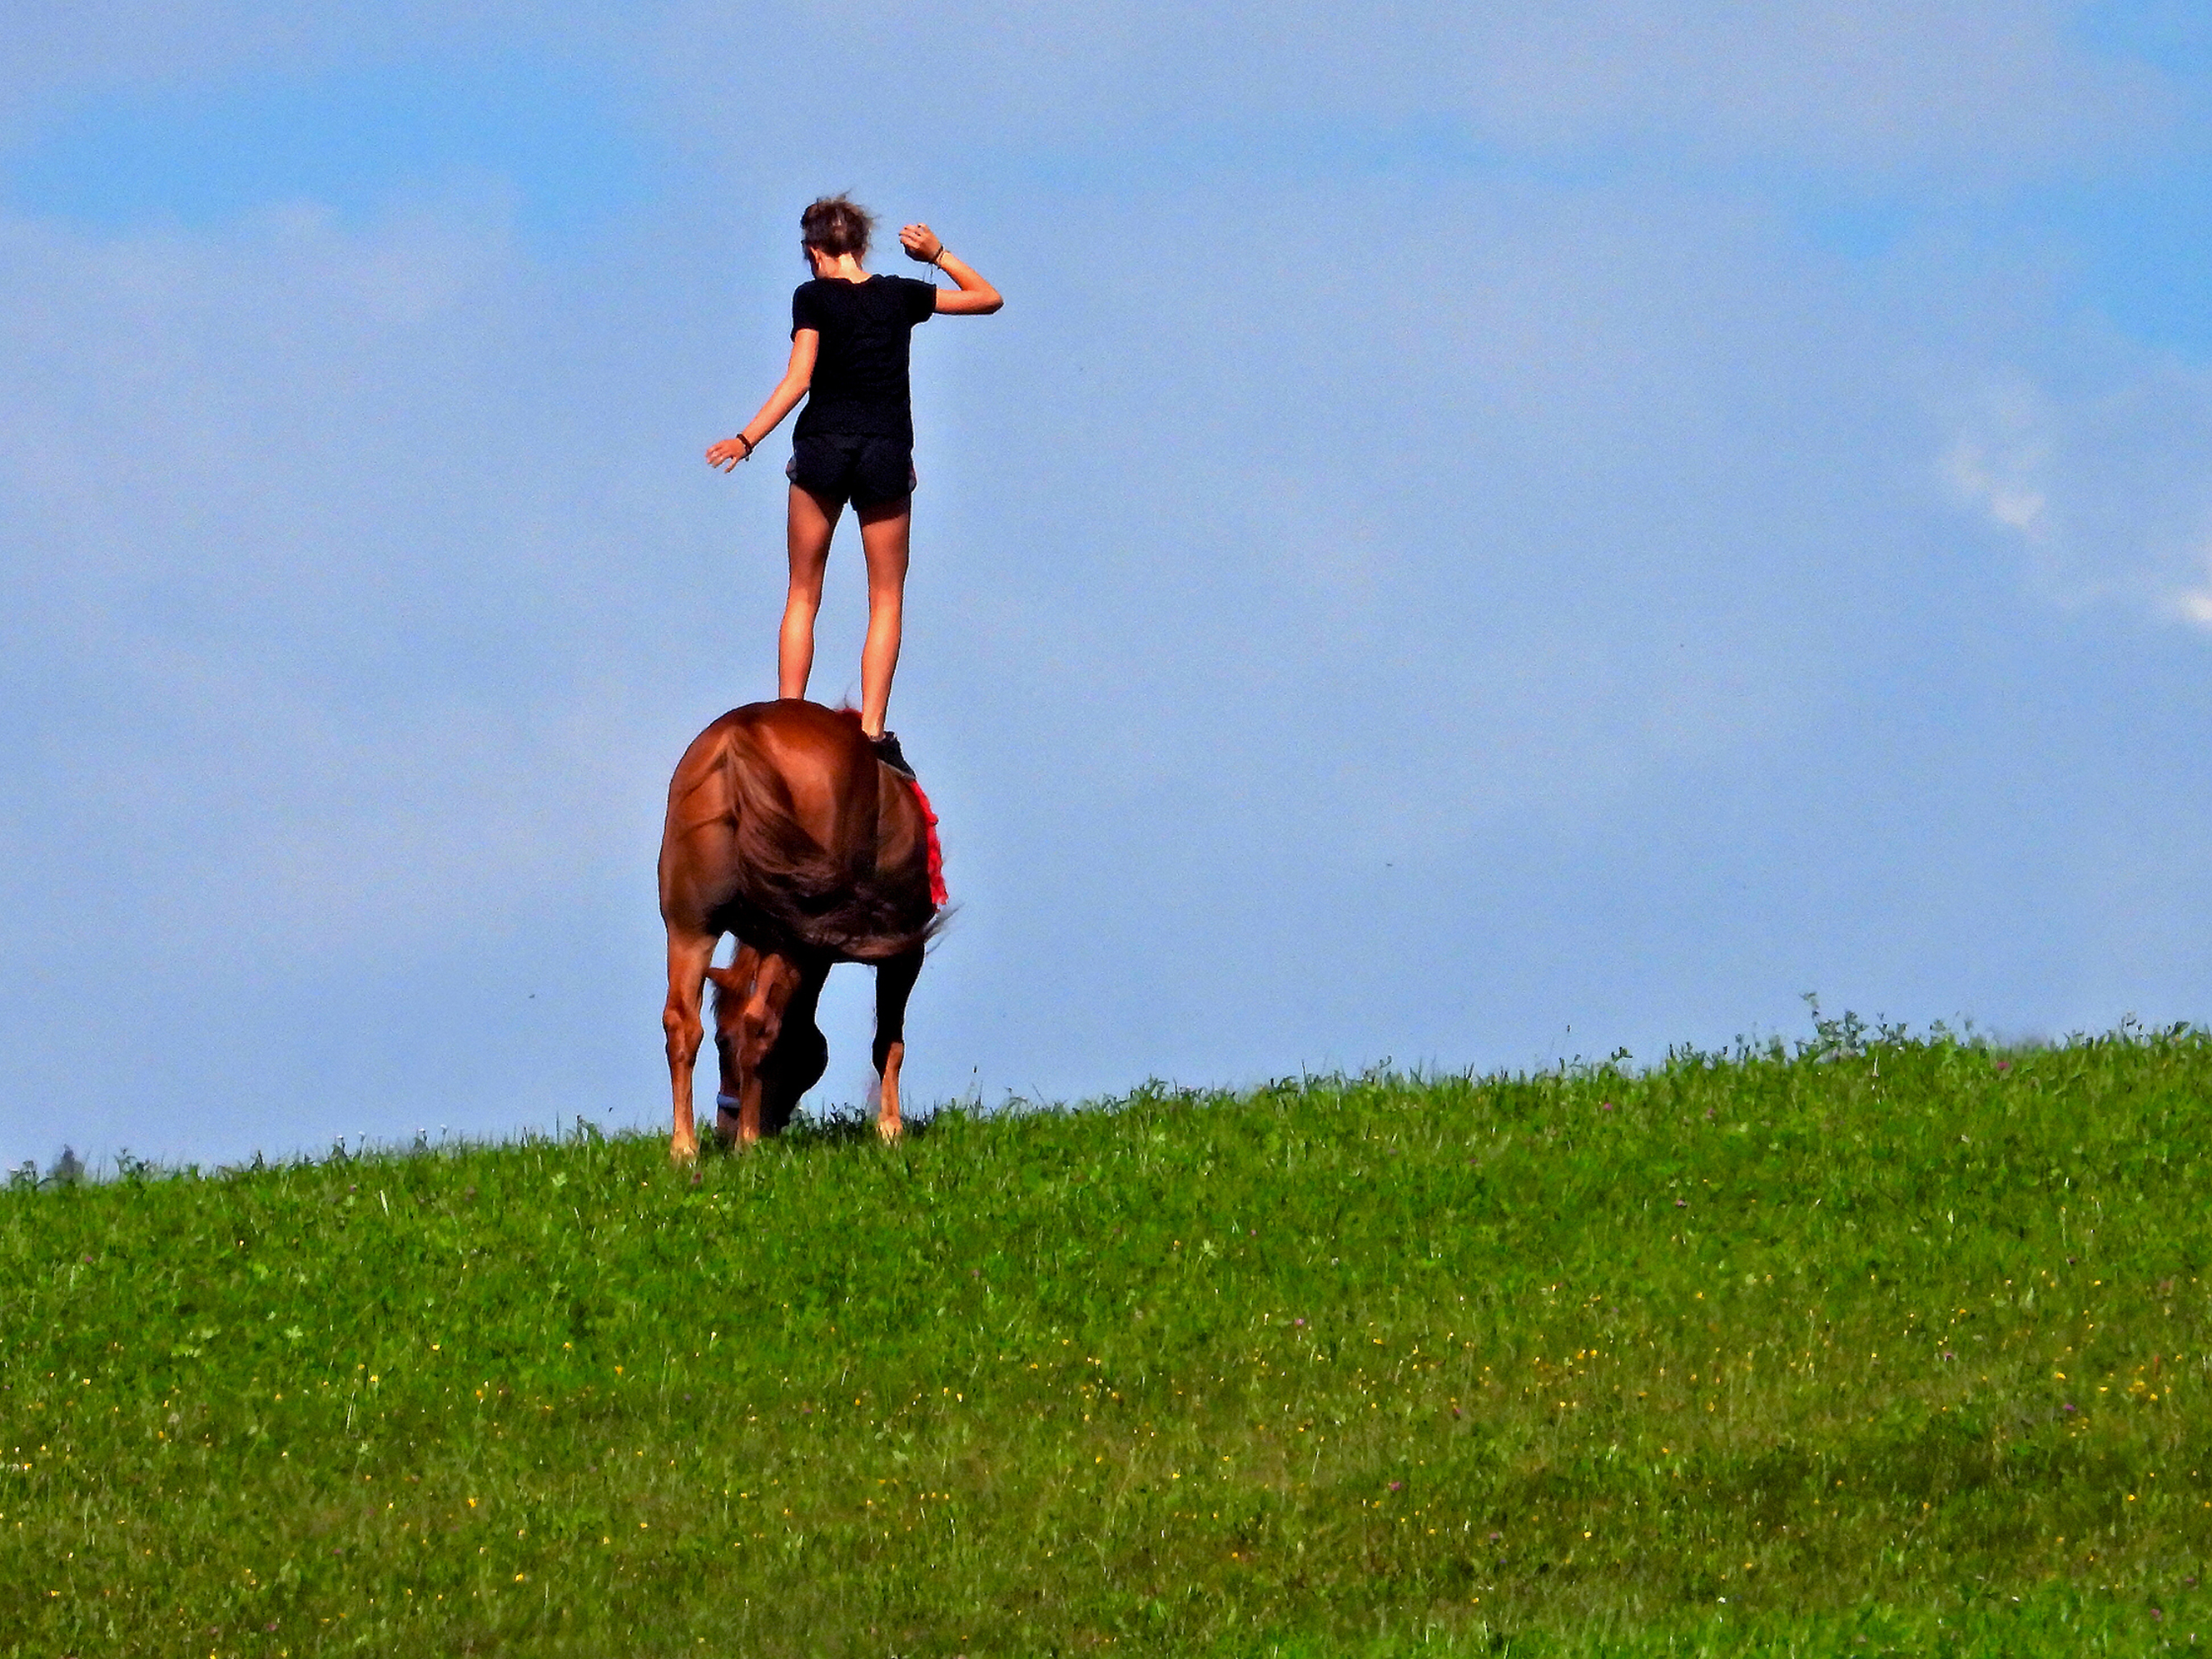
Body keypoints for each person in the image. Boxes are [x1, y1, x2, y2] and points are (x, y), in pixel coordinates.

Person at [707, 195, 1002, 779]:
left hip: (822, 446)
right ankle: (871, 728)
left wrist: (747, 438)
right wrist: (936, 253)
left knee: (802, 592)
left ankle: (789, 714)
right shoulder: (899, 293)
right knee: (885, 597)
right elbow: (987, 298)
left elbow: (799, 378)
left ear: (814, 250)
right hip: (885, 449)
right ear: (862, 245)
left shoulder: (811, 296)